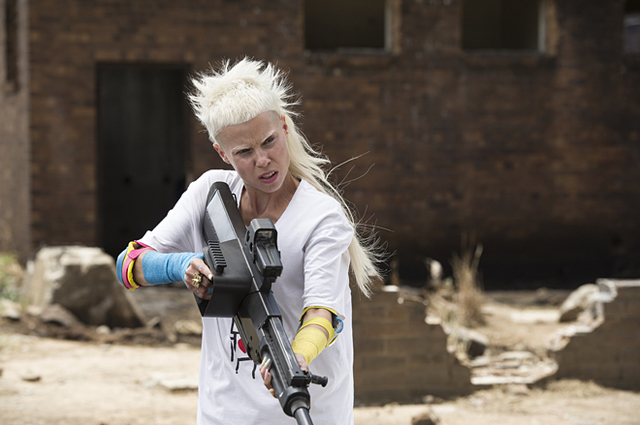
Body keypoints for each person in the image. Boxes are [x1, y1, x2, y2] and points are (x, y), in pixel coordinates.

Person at [115, 58, 381, 425]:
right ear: (222, 153)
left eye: (269, 141)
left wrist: (298, 357)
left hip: (309, 413)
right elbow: (128, 266)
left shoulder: (322, 217)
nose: (263, 160)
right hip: (224, 414)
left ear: (284, 126)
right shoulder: (208, 193)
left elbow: (324, 315)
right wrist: (183, 266)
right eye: (244, 152)